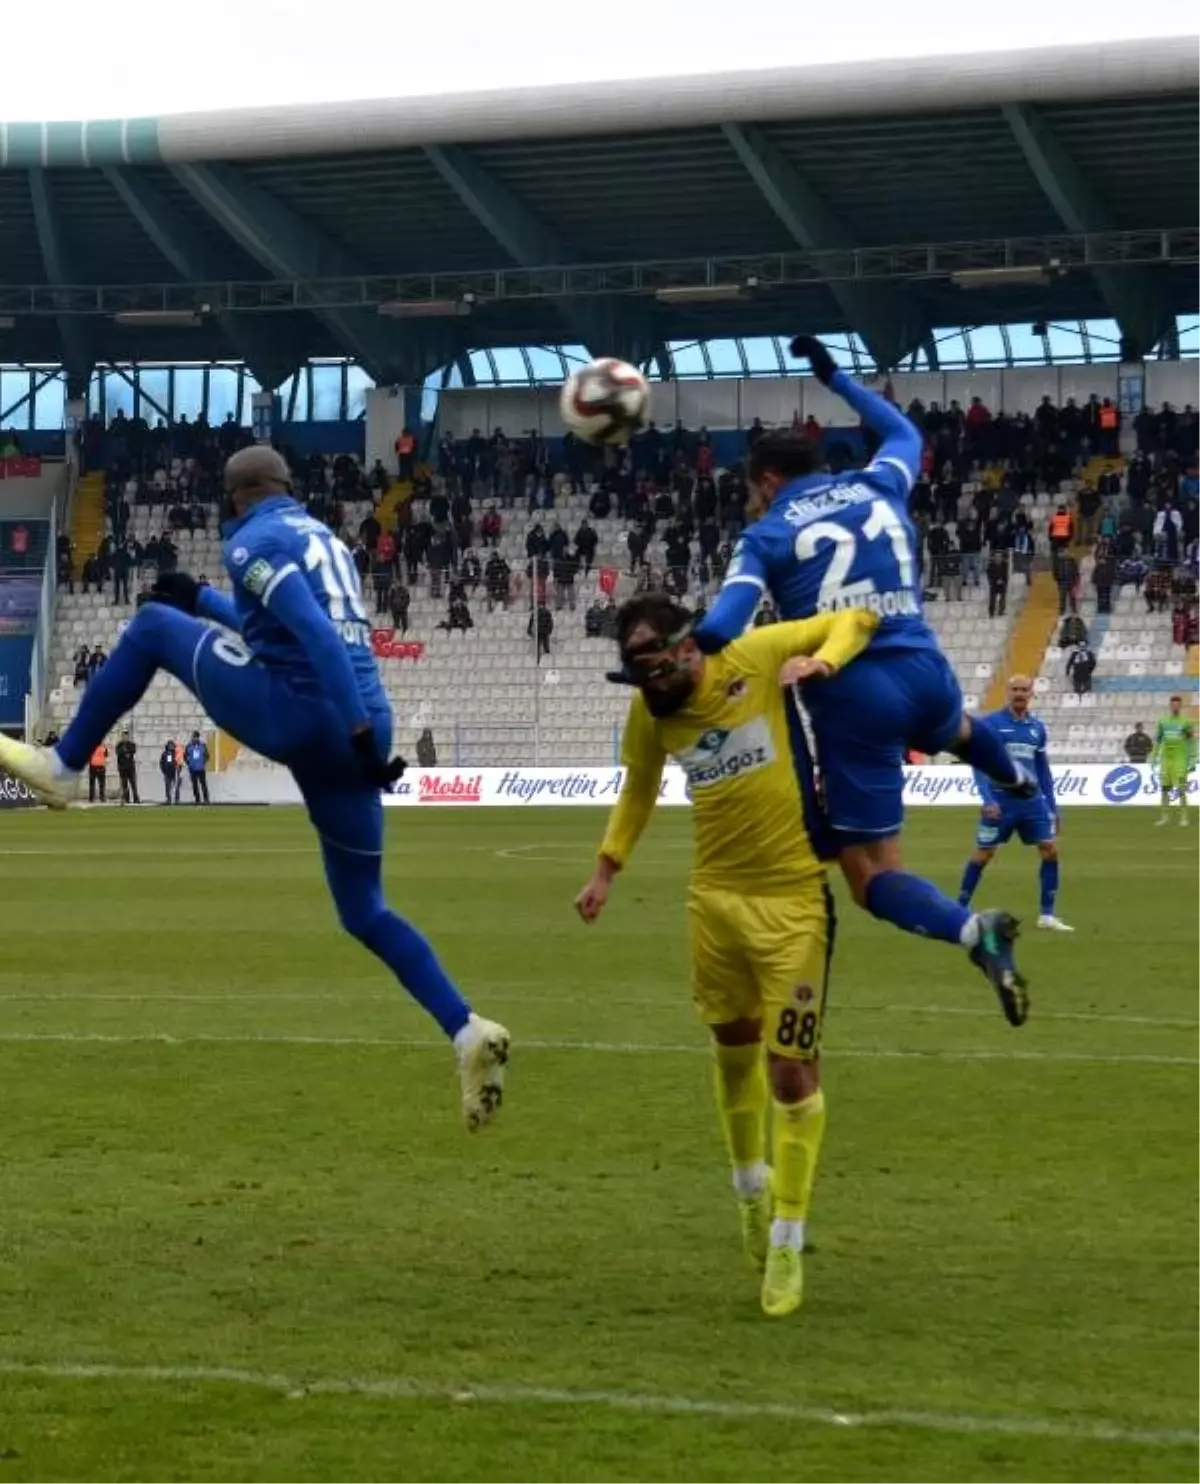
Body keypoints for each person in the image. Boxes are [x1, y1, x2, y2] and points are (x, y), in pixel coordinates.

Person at [0, 445, 509, 1133]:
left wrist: (353, 734)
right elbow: (288, 635)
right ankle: (464, 1028)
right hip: (361, 722)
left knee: (150, 628)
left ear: (236, 495)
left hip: (314, 718)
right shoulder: (319, 537)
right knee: (364, 910)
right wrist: (206, 601)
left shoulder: (254, 541)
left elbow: (317, 639)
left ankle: (63, 767)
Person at [693, 336, 1030, 1026]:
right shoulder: (880, 482)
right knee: (960, 729)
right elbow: (906, 432)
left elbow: (726, 624)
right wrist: (835, 378)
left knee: (871, 872)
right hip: (925, 667)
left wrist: (678, 654)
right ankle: (1017, 779)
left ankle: (974, 932)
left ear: (765, 482)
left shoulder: (766, 534)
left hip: (853, 694)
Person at [575, 593, 879, 1317]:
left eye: (657, 670)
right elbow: (640, 789)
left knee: (791, 1069)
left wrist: (823, 660)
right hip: (713, 899)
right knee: (732, 1046)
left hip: (795, 900)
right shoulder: (652, 713)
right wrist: (606, 869)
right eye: (638, 677)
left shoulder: (758, 654)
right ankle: (749, 1190)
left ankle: (786, 1235)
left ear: (688, 648)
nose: (651, 688)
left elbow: (859, 618)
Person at [957, 675, 1072, 933]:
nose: (1020, 693)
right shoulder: (991, 724)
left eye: (1024, 689)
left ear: (1032, 693)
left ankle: (1047, 915)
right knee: (983, 854)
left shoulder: (1037, 728)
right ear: (1007, 692)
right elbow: (980, 764)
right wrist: (987, 799)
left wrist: (1053, 807)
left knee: (1050, 850)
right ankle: (960, 909)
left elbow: (1042, 771)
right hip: (1000, 802)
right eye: (1015, 689)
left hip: (1032, 803)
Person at [1152, 696, 1195, 828]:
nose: (1175, 707)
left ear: (1180, 706)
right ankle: (1164, 817)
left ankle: (1184, 817)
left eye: (1178, 705)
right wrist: (1154, 756)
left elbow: (1191, 741)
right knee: (1165, 789)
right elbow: (1158, 740)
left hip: (1180, 759)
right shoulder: (1163, 721)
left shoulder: (1186, 722)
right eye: (1173, 705)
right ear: (1170, 706)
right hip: (1166, 759)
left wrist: (1193, 759)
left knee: (1181, 789)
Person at [184, 730, 210, 804]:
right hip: (192, 769)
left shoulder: (203, 745)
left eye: (196, 737)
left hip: (201, 769)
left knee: (203, 784)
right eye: (193, 737)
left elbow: (207, 756)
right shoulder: (189, 746)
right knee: (195, 785)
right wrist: (189, 764)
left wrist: (203, 763)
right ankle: (197, 799)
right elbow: (185, 756)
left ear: (198, 737)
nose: (194, 738)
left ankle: (206, 799)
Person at [115, 730, 139, 805]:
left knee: (133, 784)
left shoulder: (132, 744)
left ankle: (136, 799)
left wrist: (126, 752)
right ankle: (127, 799)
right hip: (122, 768)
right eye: (124, 736)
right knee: (124, 784)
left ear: (128, 737)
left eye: (126, 736)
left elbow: (133, 751)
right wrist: (125, 752)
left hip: (130, 767)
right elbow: (118, 753)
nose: (125, 737)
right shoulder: (119, 745)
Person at [160, 737, 179, 804]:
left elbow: (179, 762)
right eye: (169, 745)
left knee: (176, 786)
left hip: (174, 772)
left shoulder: (176, 753)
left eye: (172, 745)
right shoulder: (164, 754)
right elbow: (161, 763)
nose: (171, 747)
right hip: (167, 772)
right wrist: (163, 771)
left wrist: (178, 769)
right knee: (167, 786)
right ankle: (168, 799)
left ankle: (176, 799)